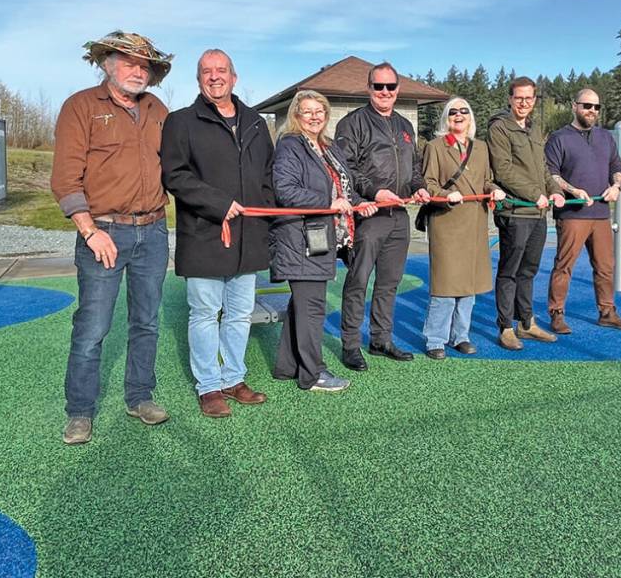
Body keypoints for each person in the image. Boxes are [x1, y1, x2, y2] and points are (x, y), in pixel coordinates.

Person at [51, 30, 174, 445]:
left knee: (147, 322)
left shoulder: (158, 110)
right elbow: (65, 177)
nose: (138, 71)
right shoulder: (81, 107)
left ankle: (139, 396)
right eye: (128, 62)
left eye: (145, 66)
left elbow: (176, 168)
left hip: (154, 231)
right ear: (106, 63)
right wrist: (89, 230)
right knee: (92, 327)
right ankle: (80, 411)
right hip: (103, 231)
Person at [161, 49, 272, 418]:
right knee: (206, 313)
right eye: (206, 72)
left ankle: (233, 378)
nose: (214, 77)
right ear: (198, 80)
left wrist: (265, 216)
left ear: (234, 77)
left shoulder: (256, 122)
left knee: (240, 314)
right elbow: (175, 176)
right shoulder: (181, 122)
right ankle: (209, 386)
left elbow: (268, 177)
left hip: (248, 236)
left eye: (221, 70)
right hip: (206, 233)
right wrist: (217, 203)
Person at [269, 91, 377, 390]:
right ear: (296, 115)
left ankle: (286, 366)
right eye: (307, 111)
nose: (314, 116)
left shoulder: (328, 147)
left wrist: (358, 202)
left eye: (320, 111)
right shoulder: (290, 145)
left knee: (302, 305)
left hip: (324, 237)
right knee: (312, 307)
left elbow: (344, 188)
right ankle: (313, 373)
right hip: (301, 239)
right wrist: (330, 202)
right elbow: (285, 191)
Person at [333, 62, 430, 370]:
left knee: (389, 283)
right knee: (358, 281)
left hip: (398, 215)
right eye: (379, 86)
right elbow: (346, 169)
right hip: (369, 214)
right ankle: (350, 345)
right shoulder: (352, 123)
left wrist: (420, 187)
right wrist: (374, 192)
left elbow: (414, 168)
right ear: (369, 88)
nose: (385, 92)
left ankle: (380, 339)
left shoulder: (405, 126)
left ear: (398, 89)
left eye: (390, 87)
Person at [483, 76, 566, 351]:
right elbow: (504, 170)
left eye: (529, 98)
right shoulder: (500, 128)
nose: (524, 103)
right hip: (516, 212)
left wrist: (555, 191)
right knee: (509, 271)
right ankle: (506, 326)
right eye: (519, 97)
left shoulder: (533, 129)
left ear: (534, 100)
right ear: (509, 99)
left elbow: (542, 168)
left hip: (538, 214)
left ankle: (526, 322)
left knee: (528, 271)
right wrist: (535, 194)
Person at [420, 98, 505, 359]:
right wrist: (446, 194)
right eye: (453, 112)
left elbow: (487, 180)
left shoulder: (481, 147)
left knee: (468, 284)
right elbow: (427, 182)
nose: (458, 115)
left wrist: (494, 190)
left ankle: (461, 336)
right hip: (447, 222)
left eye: (464, 111)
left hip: (474, 222)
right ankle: (435, 338)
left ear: (471, 117)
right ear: (446, 118)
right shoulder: (435, 147)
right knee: (445, 285)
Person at [544, 88, 621, 332]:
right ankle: (557, 313)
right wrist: (573, 191)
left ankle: (607, 311)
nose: (591, 111)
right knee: (564, 266)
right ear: (574, 106)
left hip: (601, 214)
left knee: (605, 267)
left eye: (596, 107)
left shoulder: (605, 137)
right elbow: (551, 173)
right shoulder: (559, 138)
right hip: (572, 214)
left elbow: (617, 166)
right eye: (586, 105)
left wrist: (616, 186)